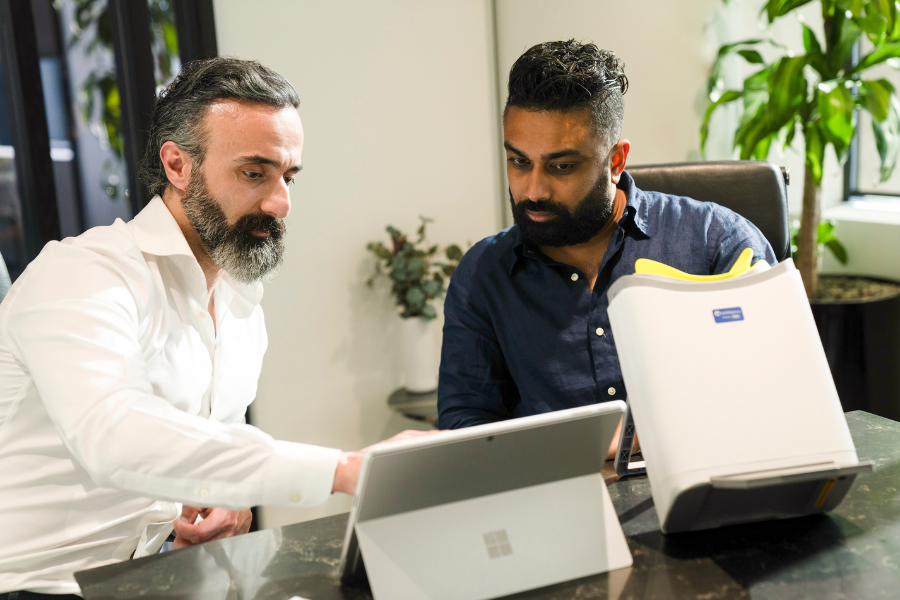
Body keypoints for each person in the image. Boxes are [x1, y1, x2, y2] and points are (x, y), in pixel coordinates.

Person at [0, 58, 428, 598]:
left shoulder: (239, 299)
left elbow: (198, 454)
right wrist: (343, 469)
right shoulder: (81, 274)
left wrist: (218, 500)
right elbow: (114, 432)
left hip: (151, 577)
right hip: (36, 583)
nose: (280, 203)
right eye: (255, 173)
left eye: (287, 176)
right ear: (178, 166)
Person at [437, 40, 777, 449]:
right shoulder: (484, 274)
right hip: (558, 499)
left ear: (615, 161)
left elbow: (774, 390)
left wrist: (628, 441)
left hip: (712, 488)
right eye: (519, 162)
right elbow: (466, 426)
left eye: (562, 166)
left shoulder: (716, 241)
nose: (534, 190)